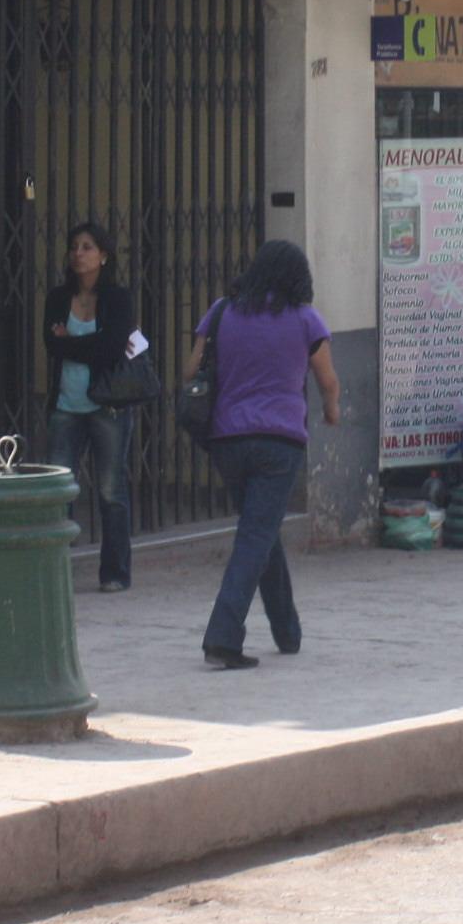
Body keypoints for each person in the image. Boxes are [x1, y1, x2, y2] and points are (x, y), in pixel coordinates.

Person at [187, 239, 340, 669]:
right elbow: (327, 380)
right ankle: (222, 637)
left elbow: (189, 369)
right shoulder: (306, 319)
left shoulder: (222, 311)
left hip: (227, 439)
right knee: (256, 534)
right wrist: (331, 410)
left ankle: (287, 631)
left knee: (262, 529)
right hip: (280, 441)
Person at [42, 219, 139, 591]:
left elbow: (113, 347)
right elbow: (52, 346)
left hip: (107, 406)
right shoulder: (57, 299)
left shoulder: (117, 298)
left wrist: (73, 343)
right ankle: (54, 567)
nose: (78, 254)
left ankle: (115, 572)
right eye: (75, 247)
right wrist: (87, 343)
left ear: (103, 255)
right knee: (60, 489)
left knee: (111, 491)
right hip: (66, 406)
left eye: (87, 247)